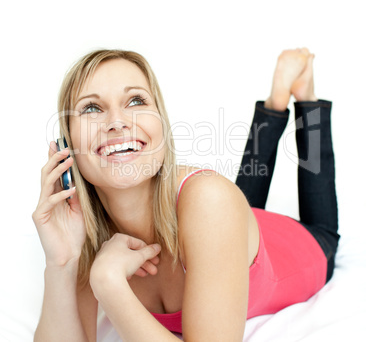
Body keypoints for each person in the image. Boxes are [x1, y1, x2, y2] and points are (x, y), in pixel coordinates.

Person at [32, 47, 340, 341]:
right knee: (235, 200)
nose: (117, 121)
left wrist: (110, 285)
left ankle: (304, 99)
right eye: (91, 108)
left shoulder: (211, 201)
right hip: (226, 230)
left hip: (297, 244)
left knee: (281, 216)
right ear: (67, 145)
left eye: (136, 101)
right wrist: (61, 261)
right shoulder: (83, 228)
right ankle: (273, 105)